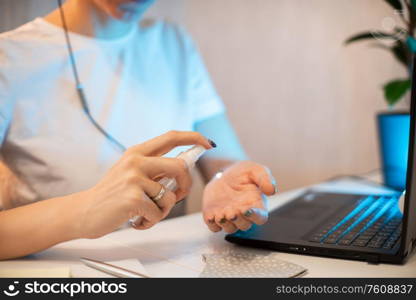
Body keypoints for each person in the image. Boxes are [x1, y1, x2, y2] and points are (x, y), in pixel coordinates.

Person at [0, 0, 277, 260]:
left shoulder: (172, 42)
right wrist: (85, 210)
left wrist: (227, 178)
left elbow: (222, 156)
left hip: (164, 263)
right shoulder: (9, 58)